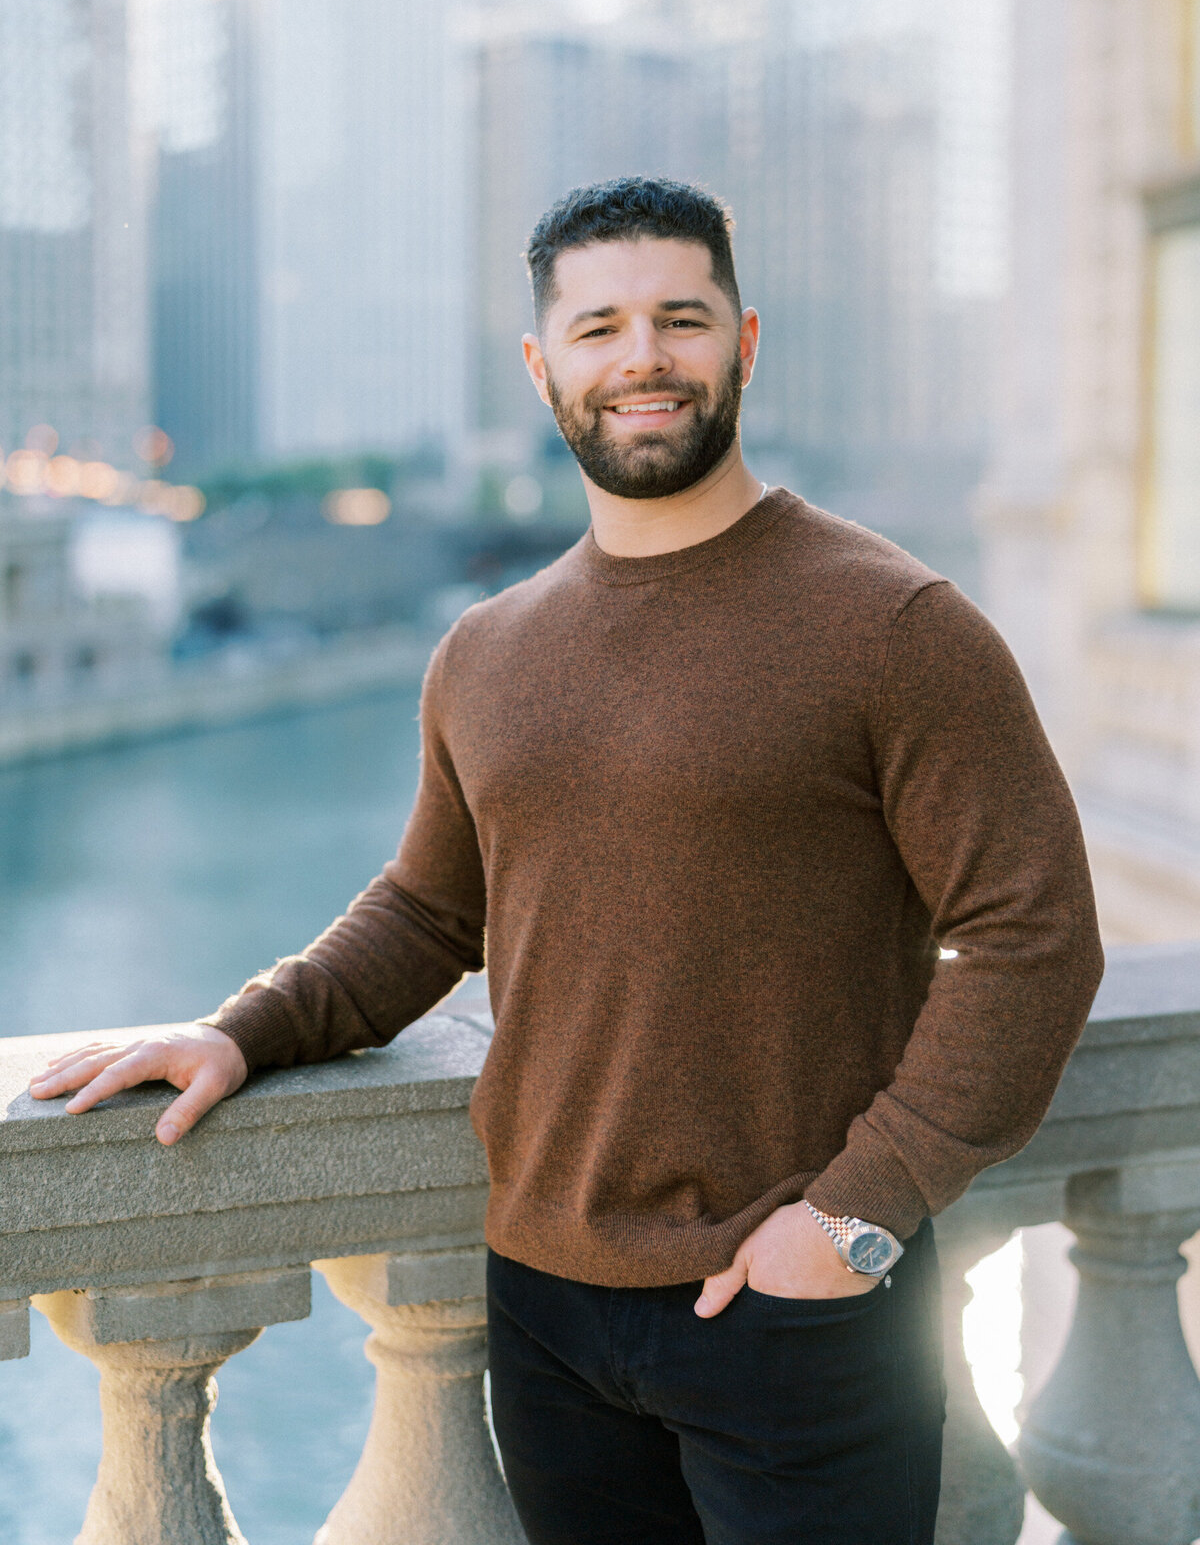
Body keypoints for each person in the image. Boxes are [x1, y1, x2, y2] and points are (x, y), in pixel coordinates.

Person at [30, 177, 1104, 1545]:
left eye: (680, 318)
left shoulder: (896, 625)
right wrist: (246, 1031)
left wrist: (854, 1218)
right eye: (599, 327)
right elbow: (430, 907)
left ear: (746, 343)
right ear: (545, 367)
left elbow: (1033, 934)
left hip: (796, 1312)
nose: (642, 357)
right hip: (543, 1311)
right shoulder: (486, 650)